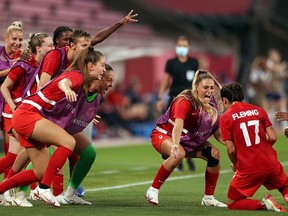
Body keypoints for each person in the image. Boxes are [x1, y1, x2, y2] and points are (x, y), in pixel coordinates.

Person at [0, 47, 105, 207]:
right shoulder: (77, 75)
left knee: (39, 172)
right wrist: (67, 88)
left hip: (27, 116)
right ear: (90, 66)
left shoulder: (82, 82)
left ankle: (2, 189)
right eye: (102, 65)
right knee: (69, 142)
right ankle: (43, 188)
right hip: (28, 114)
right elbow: (65, 82)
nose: (103, 69)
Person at [145, 69, 226, 207]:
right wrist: (175, 145)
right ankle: (153, 189)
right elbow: (178, 125)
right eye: (205, 87)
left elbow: (218, 134)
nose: (209, 91)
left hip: (188, 140)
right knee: (178, 154)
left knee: (214, 154)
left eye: (212, 88)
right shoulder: (184, 101)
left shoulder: (213, 105)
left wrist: (234, 144)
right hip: (165, 135)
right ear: (196, 87)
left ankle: (208, 198)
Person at [0, 32, 53, 206]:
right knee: (28, 152)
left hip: (27, 112)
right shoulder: (23, 65)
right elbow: (4, 87)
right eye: (49, 45)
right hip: (15, 113)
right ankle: (11, 192)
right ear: (38, 48)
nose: (53, 49)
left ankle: (8, 190)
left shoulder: (44, 66)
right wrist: (13, 106)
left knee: (15, 156)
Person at [219, 82, 288, 212]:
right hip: (270, 162)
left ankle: (263, 204)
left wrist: (236, 164)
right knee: (285, 185)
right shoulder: (259, 110)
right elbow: (273, 137)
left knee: (233, 203)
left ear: (224, 100)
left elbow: (231, 149)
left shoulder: (225, 117)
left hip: (249, 167)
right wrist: (261, 150)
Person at [156, 35, 199, 172]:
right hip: (175, 99)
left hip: (191, 100)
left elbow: (197, 81)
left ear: (188, 47)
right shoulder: (171, 63)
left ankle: (189, 158)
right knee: (174, 128)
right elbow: (166, 80)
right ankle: (177, 158)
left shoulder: (193, 62)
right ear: (176, 46)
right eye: (180, 45)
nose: (182, 48)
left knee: (190, 129)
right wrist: (160, 97)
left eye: (185, 45)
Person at [0, 21, 24, 178]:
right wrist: (15, 67)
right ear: (6, 38)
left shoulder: (22, 56)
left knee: (12, 149)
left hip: (9, 106)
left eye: (20, 40)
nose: (17, 43)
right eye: (14, 39)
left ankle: (6, 190)